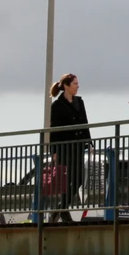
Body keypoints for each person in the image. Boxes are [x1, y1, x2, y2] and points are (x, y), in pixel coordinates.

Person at [47, 73, 90, 223]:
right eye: (75, 84)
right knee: (68, 179)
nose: (77, 86)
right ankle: (63, 210)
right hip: (65, 147)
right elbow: (54, 129)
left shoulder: (79, 101)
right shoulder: (57, 105)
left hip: (78, 146)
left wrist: (89, 142)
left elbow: (85, 122)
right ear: (66, 86)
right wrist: (53, 152)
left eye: (77, 83)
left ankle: (61, 207)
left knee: (78, 179)